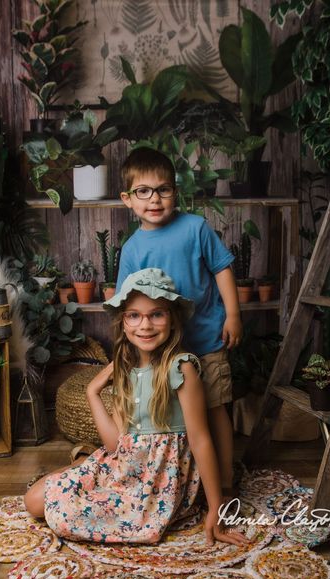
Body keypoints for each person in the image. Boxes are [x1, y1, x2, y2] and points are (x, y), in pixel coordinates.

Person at [24, 268, 247, 547]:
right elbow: (116, 444)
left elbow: (201, 441)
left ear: (172, 319)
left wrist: (215, 508)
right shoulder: (127, 372)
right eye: (134, 315)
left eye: (156, 314)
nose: (145, 325)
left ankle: (83, 463)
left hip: (153, 485)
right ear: (123, 322)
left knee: (62, 511)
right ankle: (84, 462)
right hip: (123, 467)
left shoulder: (181, 368)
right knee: (32, 502)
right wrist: (94, 391)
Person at [116, 147, 243, 499]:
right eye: (143, 191)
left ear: (175, 191)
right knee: (178, 419)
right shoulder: (132, 249)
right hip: (164, 351)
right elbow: (125, 301)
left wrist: (232, 314)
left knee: (215, 409)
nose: (154, 199)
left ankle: (227, 479)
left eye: (163, 189)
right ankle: (184, 481)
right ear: (128, 199)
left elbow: (221, 269)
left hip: (207, 338)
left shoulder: (195, 227)